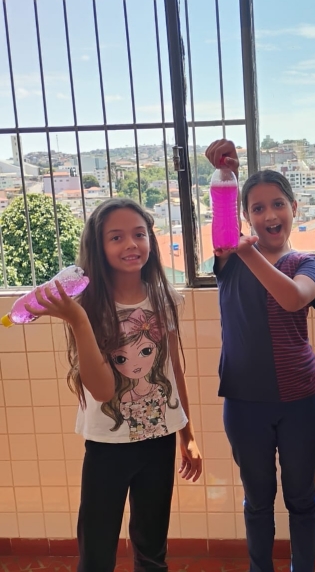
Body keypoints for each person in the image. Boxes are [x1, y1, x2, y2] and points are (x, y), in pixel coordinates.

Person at [25, 198, 202, 572]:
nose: (131, 244)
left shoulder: (165, 298)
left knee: (152, 551)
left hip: (159, 439)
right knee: (96, 553)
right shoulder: (86, 306)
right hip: (107, 445)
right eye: (116, 237)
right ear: (99, 246)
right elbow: (103, 391)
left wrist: (187, 435)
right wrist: (77, 320)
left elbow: (173, 371)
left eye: (139, 234)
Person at [205, 139, 315, 572]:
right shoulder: (229, 257)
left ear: (294, 207)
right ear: (245, 217)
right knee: (257, 501)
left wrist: (248, 250)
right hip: (244, 401)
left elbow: (292, 298)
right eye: (257, 208)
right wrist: (224, 174)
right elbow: (224, 228)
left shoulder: (309, 262)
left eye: (278, 204)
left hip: (299, 401)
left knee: (301, 498)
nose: (270, 214)